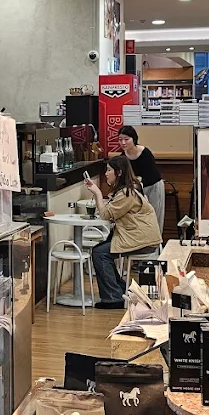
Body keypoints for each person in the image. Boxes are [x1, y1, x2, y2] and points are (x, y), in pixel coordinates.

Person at [83, 155, 162, 310]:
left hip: (142, 240)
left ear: (119, 172)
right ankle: (119, 291)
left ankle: (113, 297)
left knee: (100, 253)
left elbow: (106, 214)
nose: (106, 174)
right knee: (102, 250)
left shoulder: (127, 193)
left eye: (109, 170)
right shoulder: (130, 189)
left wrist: (97, 193)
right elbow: (110, 211)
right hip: (140, 237)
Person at [116, 125, 165, 231]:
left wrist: (137, 184)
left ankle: (156, 240)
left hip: (153, 187)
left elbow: (153, 176)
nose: (123, 143)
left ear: (134, 139)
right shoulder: (122, 157)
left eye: (126, 139)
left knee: (154, 217)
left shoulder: (145, 153)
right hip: (137, 190)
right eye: (120, 139)